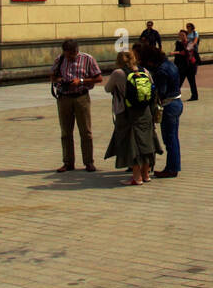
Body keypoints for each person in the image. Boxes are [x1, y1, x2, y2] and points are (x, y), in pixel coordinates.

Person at [105, 44, 161, 185]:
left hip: (127, 112)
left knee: (132, 143)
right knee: (147, 141)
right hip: (145, 111)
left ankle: (136, 177)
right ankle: (146, 174)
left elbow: (107, 88)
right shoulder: (145, 71)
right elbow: (152, 88)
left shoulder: (118, 73)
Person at [50, 38, 102, 173]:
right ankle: (68, 162)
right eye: (67, 55)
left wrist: (82, 81)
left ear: (76, 51)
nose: (69, 58)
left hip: (81, 97)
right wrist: (59, 80)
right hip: (64, 97)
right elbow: (52, 76)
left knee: (86, 131)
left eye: (71, 55)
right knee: (66, 132)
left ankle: (89, 162)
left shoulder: (87, 59)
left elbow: (99, 78)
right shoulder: (60, 59)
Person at [148, 44, 183, 178]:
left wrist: (151, 89)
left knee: (170, 138)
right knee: (173, 137)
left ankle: (172, 168)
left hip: (169, 105)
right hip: (177, 102)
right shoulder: (170, 65)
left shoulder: (161, 70)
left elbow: (161, 92)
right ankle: (173, 166)